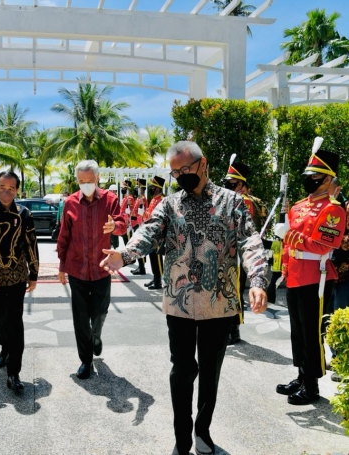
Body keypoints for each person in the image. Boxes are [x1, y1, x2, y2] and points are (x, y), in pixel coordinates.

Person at [100, 141, 268, 455]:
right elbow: (148, 232)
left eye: (185, 170)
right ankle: (181, 441)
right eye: (175, 172)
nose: (179, 177)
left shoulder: (232, 202)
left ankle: (202, 433)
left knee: (210, 370)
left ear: (203, 164)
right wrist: (123, 254)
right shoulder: (169, 204)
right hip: (179, 303)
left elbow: (251, 242)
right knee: (181, 369)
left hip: (218, 304)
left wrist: (257, 280)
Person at [275, 147, 346, 405]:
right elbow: (287, 245)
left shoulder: (334, 209)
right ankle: (302, 376)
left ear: (328, 179)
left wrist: (289, 235)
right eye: (308, 174)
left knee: (312, 333)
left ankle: (313, 387)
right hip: (295, 275)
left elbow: (324, 245)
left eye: (315, 175)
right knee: (297, 331)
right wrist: (283, 266)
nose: (310, 179)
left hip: (316, 277)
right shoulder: (298, 206)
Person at [57, 160, 126, 380]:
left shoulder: (110, 200)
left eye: (89, 180)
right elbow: (63, 237)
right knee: (80, 317)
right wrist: (61, 266)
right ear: (77, 180)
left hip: (101, 269)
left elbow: (123, 223)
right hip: (77, 269)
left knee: (99, 311)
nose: (85, 184)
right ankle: (85, 361)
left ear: (97, 178)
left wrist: (115, 227)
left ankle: (96, 336)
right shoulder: (70, 203)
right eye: (81, 181)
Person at [0, 171, 39, 391]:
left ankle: (14, 373)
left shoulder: (24, 213)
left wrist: (34, 273)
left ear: (17, 190)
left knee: (15, 323)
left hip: (17, 277)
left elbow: (31, 243)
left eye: (11, 188)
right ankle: (4, 347)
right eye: (3, 187)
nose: (7, 191)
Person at [224, 161, 267, 344]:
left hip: (240, 255)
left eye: (232, 182)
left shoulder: (245, 201)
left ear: (241, 184)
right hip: (228, 252)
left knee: (235, 291)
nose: (228, 185)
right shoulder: (230, 199)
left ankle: (234, 329)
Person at [327, 177, 349, 382]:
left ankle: (344, 363)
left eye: (330, 188)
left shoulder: (346, 208)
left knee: (342, 317)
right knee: (330, 317)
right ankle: (335, 357)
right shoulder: (327, 208)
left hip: (345, 274)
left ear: (338, 189)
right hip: (329, 274)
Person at [143, 176, 165, 290]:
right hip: (150, 232)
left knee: (157, 258)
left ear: (158, 188)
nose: (151, 188)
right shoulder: (154, 199)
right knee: (152, 256)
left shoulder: (161, 200)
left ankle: (158, 281)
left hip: (157, 233)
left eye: (153, 186)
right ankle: (155, 278)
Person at [130, 178, 148, 275]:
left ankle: (142, 268)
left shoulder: (142, 199)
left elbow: (142, 212)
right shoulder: (139, 198)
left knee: (139, 247)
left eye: (138, 187)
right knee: (137, 247)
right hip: (135, 223)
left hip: (139, 224)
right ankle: (140, 266)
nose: (137, 189)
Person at [119, 180, 135, 249]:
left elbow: (132, 211)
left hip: (128, 223)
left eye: (124, 188)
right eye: (122, 188)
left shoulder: (130, 198)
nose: (122, 189)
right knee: (125, 242)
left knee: (128, 243)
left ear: (128, 189)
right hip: (123, 223)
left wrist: (128, 211)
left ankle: (131, 260)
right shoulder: (125, 198)